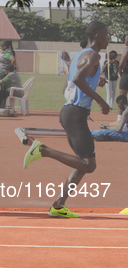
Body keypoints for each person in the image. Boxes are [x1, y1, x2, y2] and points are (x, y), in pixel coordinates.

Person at [23, 21, 110, 218]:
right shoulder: (94, 55)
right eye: (106, 35)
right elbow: (79, 80)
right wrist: (101, 101)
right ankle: (43, 150)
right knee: (89, 165)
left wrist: (95, 82)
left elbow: (68, 85)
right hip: (76, 114)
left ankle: (58, 205)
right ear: (97, 35)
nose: (108, 39)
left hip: (69, 112)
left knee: (83, 162)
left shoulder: (79, 55)